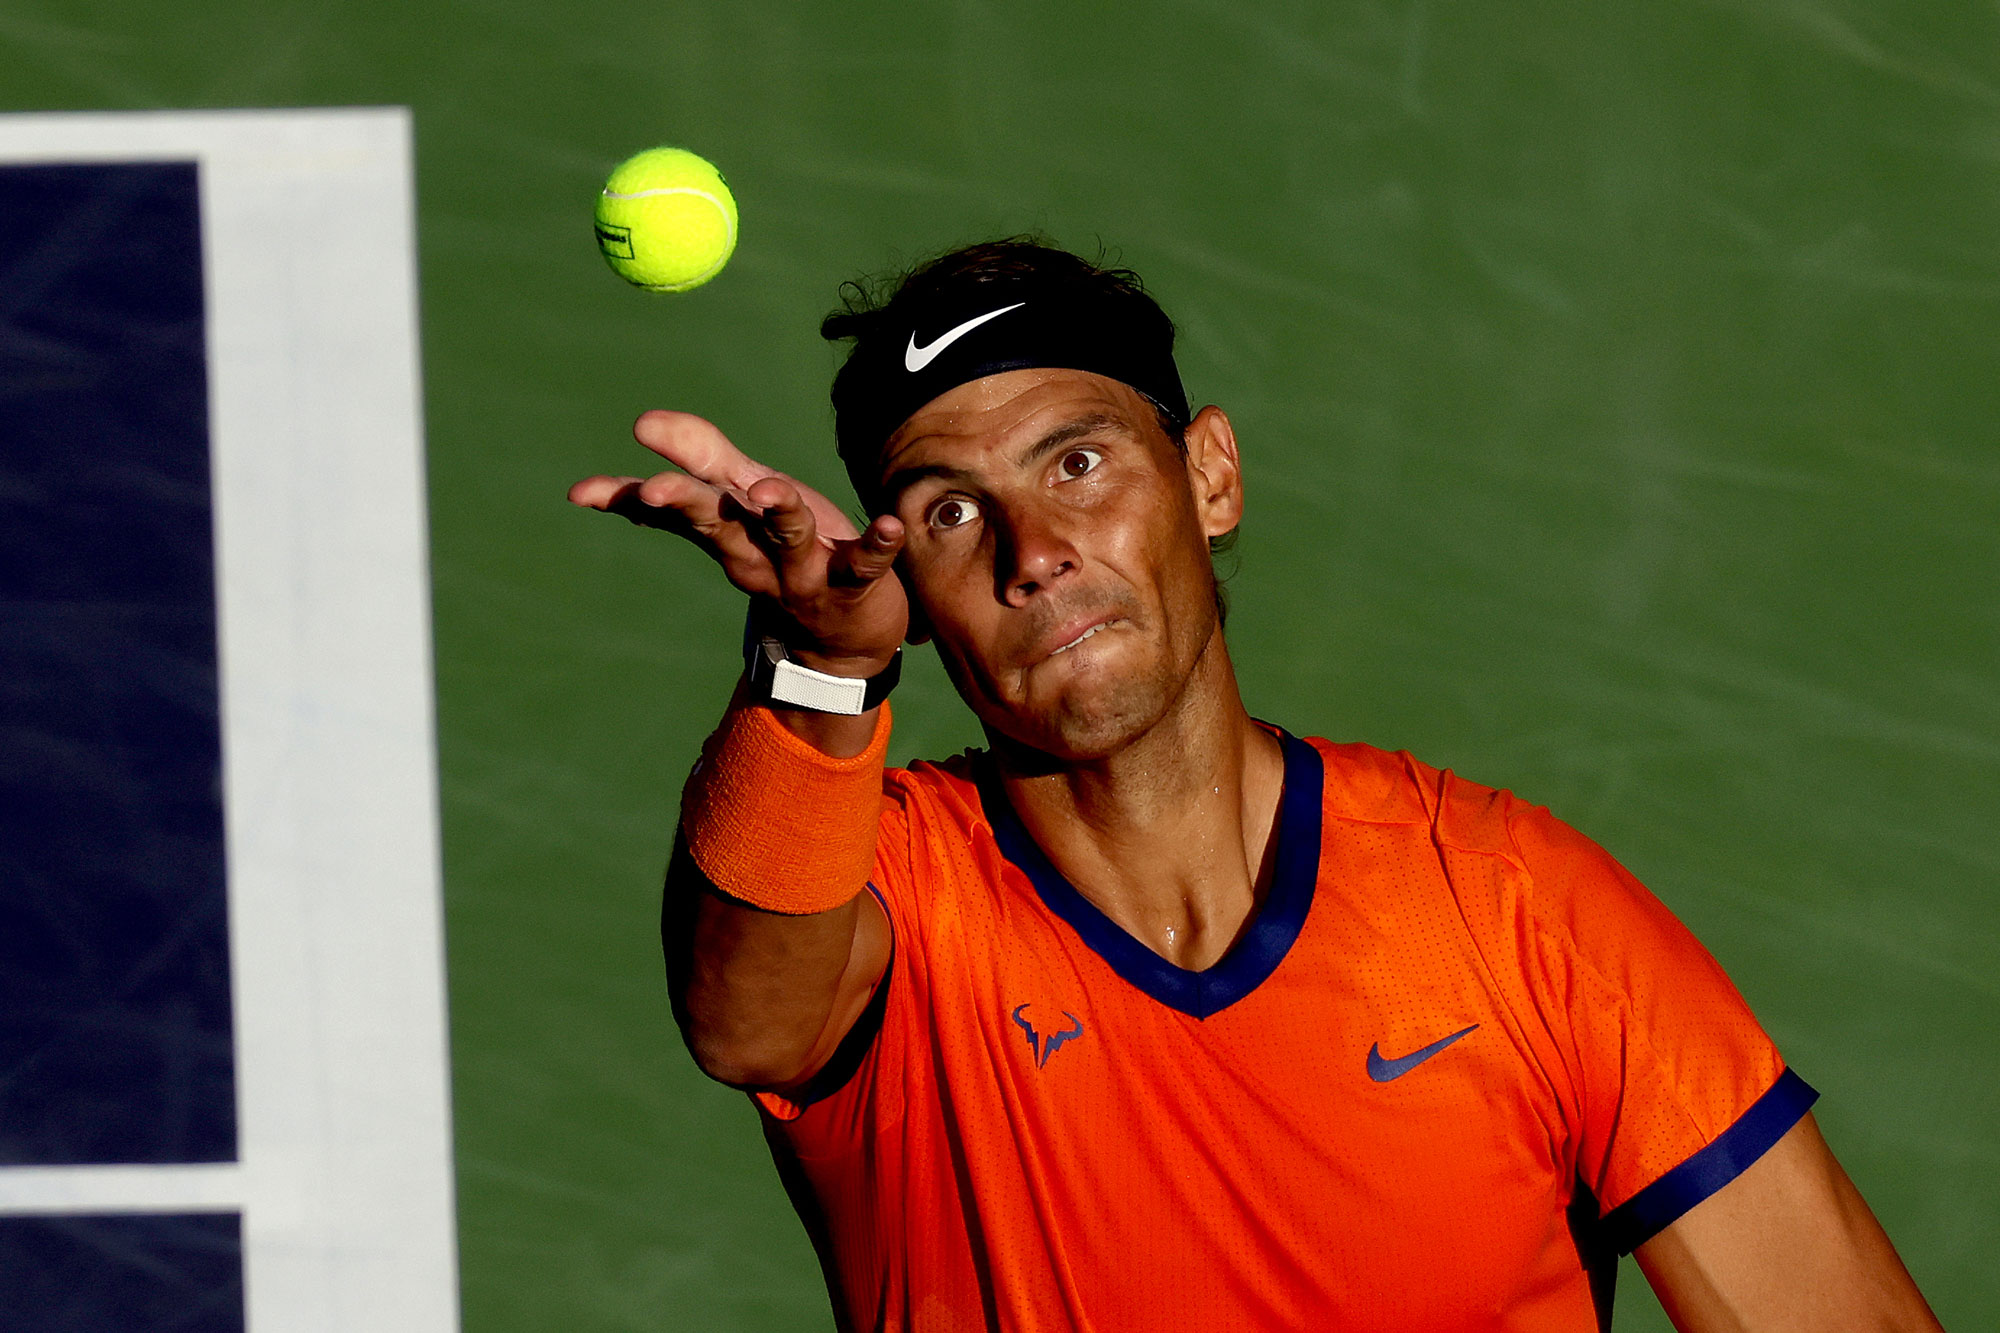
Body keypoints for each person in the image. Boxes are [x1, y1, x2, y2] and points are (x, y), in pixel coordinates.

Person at [569, 240, 1940, 1331]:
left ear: (1209, 477)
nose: (1035, 549)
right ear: (913, 592)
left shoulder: (1521, 913)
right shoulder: (900, 901)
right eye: (948, 509)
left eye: (1080, 460)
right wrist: (815, 663)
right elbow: (749, 1019)